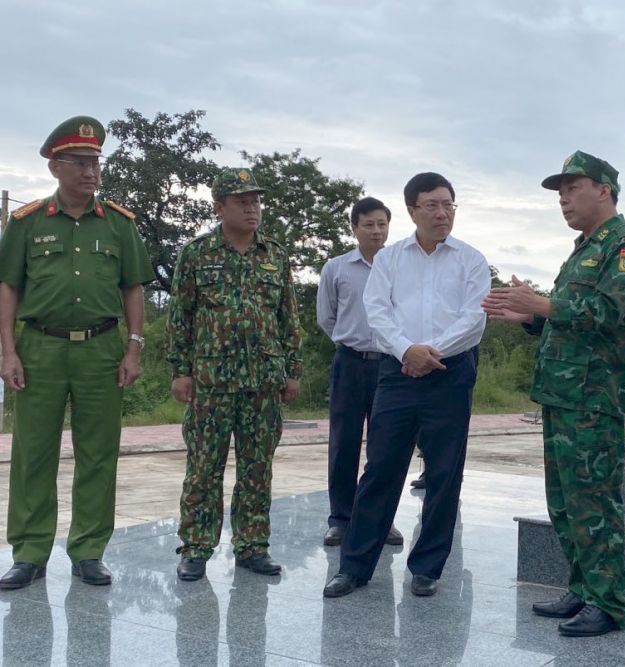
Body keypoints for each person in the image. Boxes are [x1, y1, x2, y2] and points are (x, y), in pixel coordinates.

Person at [482, 151, 625, 638]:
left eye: (572, 188)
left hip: (596, 397)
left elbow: (604, 312)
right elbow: (569, 321)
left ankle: (610, 603)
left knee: (594, 502)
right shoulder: (584, 248)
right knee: (564, 502)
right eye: (560, 191)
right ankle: (582, 589)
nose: (563, 198)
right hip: (563, 394)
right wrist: (532, 317)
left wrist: (541, 302)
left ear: (604, 190)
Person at [0, 116, 155, 589]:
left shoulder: (119, 224)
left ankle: (88, 550)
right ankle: (29, 552)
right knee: (33, 453)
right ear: (56, 167)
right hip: (40, 348)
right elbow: (8, 287)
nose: (91, 172)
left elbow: (133, 287)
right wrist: (7, 352)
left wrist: (133, 347)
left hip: (102, 350)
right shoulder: (25, 223)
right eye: (81, 163)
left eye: (95, 163)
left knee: (98, 452)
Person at [324, 172, 489, 599]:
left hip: (450, 374)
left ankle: (428, 567)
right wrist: (406, 351)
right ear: (413, 210)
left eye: (449, 204)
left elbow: (474, 319)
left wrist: (429, 352)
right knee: (380, 468)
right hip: (398, 373)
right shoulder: (390, 259)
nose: (442, 213)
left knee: (443, 473)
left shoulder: (471, 260)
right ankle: (355, 567)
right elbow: (376, 312)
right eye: (432, 205)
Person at [166, 167, 302, 582]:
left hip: (263, 382)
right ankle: (196, 547)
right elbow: (180, 316)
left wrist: (293, 370)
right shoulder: (196, 253)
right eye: (242, 201)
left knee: (257, 468)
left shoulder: (275, 255)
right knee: (204, 468)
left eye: (255, 201)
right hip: (211, 383)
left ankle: (252, 545)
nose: (251, 208)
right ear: (219, 207)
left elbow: (288, 318)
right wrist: (180, 371)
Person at [317, 196, 404, 548]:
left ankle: (380, 520)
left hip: (390, 364)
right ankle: (341, 518)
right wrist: (352, 341)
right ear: (354, 227)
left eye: (381, 224)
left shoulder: (400, 266)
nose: (376, 231)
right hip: (350, 362)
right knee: (344, 442)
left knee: (386, 446)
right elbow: (327, 317)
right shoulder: (336, 268)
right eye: (368, 224)